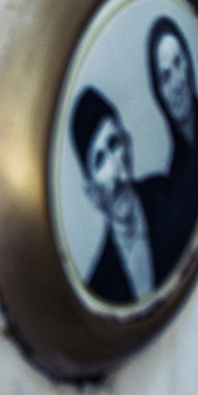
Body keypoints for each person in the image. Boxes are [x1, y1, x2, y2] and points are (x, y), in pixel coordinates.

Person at [68, 88, 161, 305]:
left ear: (127, 143)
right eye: (99, 160)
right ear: (91, 190)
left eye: (113, 143)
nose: (114, 167)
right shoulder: (99, 288)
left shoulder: (167, 190)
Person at [143, 15, 198, 268]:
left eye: (178, 62)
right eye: (165, 76)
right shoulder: (172, 179)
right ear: (159, 92)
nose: (176, 81)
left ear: (189, 63)